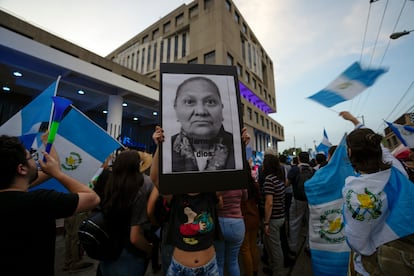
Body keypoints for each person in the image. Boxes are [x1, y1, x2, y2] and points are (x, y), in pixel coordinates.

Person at [151, 125, 250, 275]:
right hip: (179, 269)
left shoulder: (211, 195)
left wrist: (239, 146)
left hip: (210, 268)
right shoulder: (176, 197)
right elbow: (156, 179)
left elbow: (233, 179)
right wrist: (160, 146)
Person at [0, 135, 100, 275]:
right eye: (31, 157)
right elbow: (92, 198)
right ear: (21, 169)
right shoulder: (40, 201)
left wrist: (49, 143)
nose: (35, 160)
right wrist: (59, 174)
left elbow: (48, 172)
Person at [339, 111, 414, 275]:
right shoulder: (397, 169)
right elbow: (379, 148)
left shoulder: (355, 191)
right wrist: (354, 121)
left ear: (350, 153)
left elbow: (358, 241)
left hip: (374, 265)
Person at [98, 150, 154, 276]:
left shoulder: (108, 185)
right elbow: (134, 238)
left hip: (107, 247)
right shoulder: (138, 192)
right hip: (129, 254)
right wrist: (149, 249)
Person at [171, 76, 235, 172]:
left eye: (210, 102)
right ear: (176, 108)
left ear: (222, 108)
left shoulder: (236, 145)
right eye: (189, 102)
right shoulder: (166, 147)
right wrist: (159, 146)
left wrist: (243, 146)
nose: (201, 112)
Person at [262, 153, 286, 276]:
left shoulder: (269, 180)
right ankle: (274, 268)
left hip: (273, 218)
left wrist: (266, 222)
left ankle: (278, 272)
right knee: (271, 245)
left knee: (275, 248)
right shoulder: (279, 178)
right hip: (280, 215)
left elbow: (269, 203)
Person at [215, 188, 247, 276]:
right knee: (233, 261)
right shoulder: (239, 181)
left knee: (219, 262)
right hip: (237, 224)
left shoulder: (216, 181)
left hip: (219, 223)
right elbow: (245, 197)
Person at [287, 151, 313, 259]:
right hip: (310, 200)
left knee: (294, 223)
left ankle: (293, 248)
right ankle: (309, 246)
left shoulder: (295, 170)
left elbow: (286, 183)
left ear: (299, 159)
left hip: (297, 200)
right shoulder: (313, 170)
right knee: (310, 224)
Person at [239, 162, 261, 276]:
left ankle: (249, 273)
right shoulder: (254, 184)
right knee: (253, 246)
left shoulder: (240, 185)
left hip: (244, 219)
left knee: (245, 249)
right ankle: (255, 270)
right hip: (255, 217)